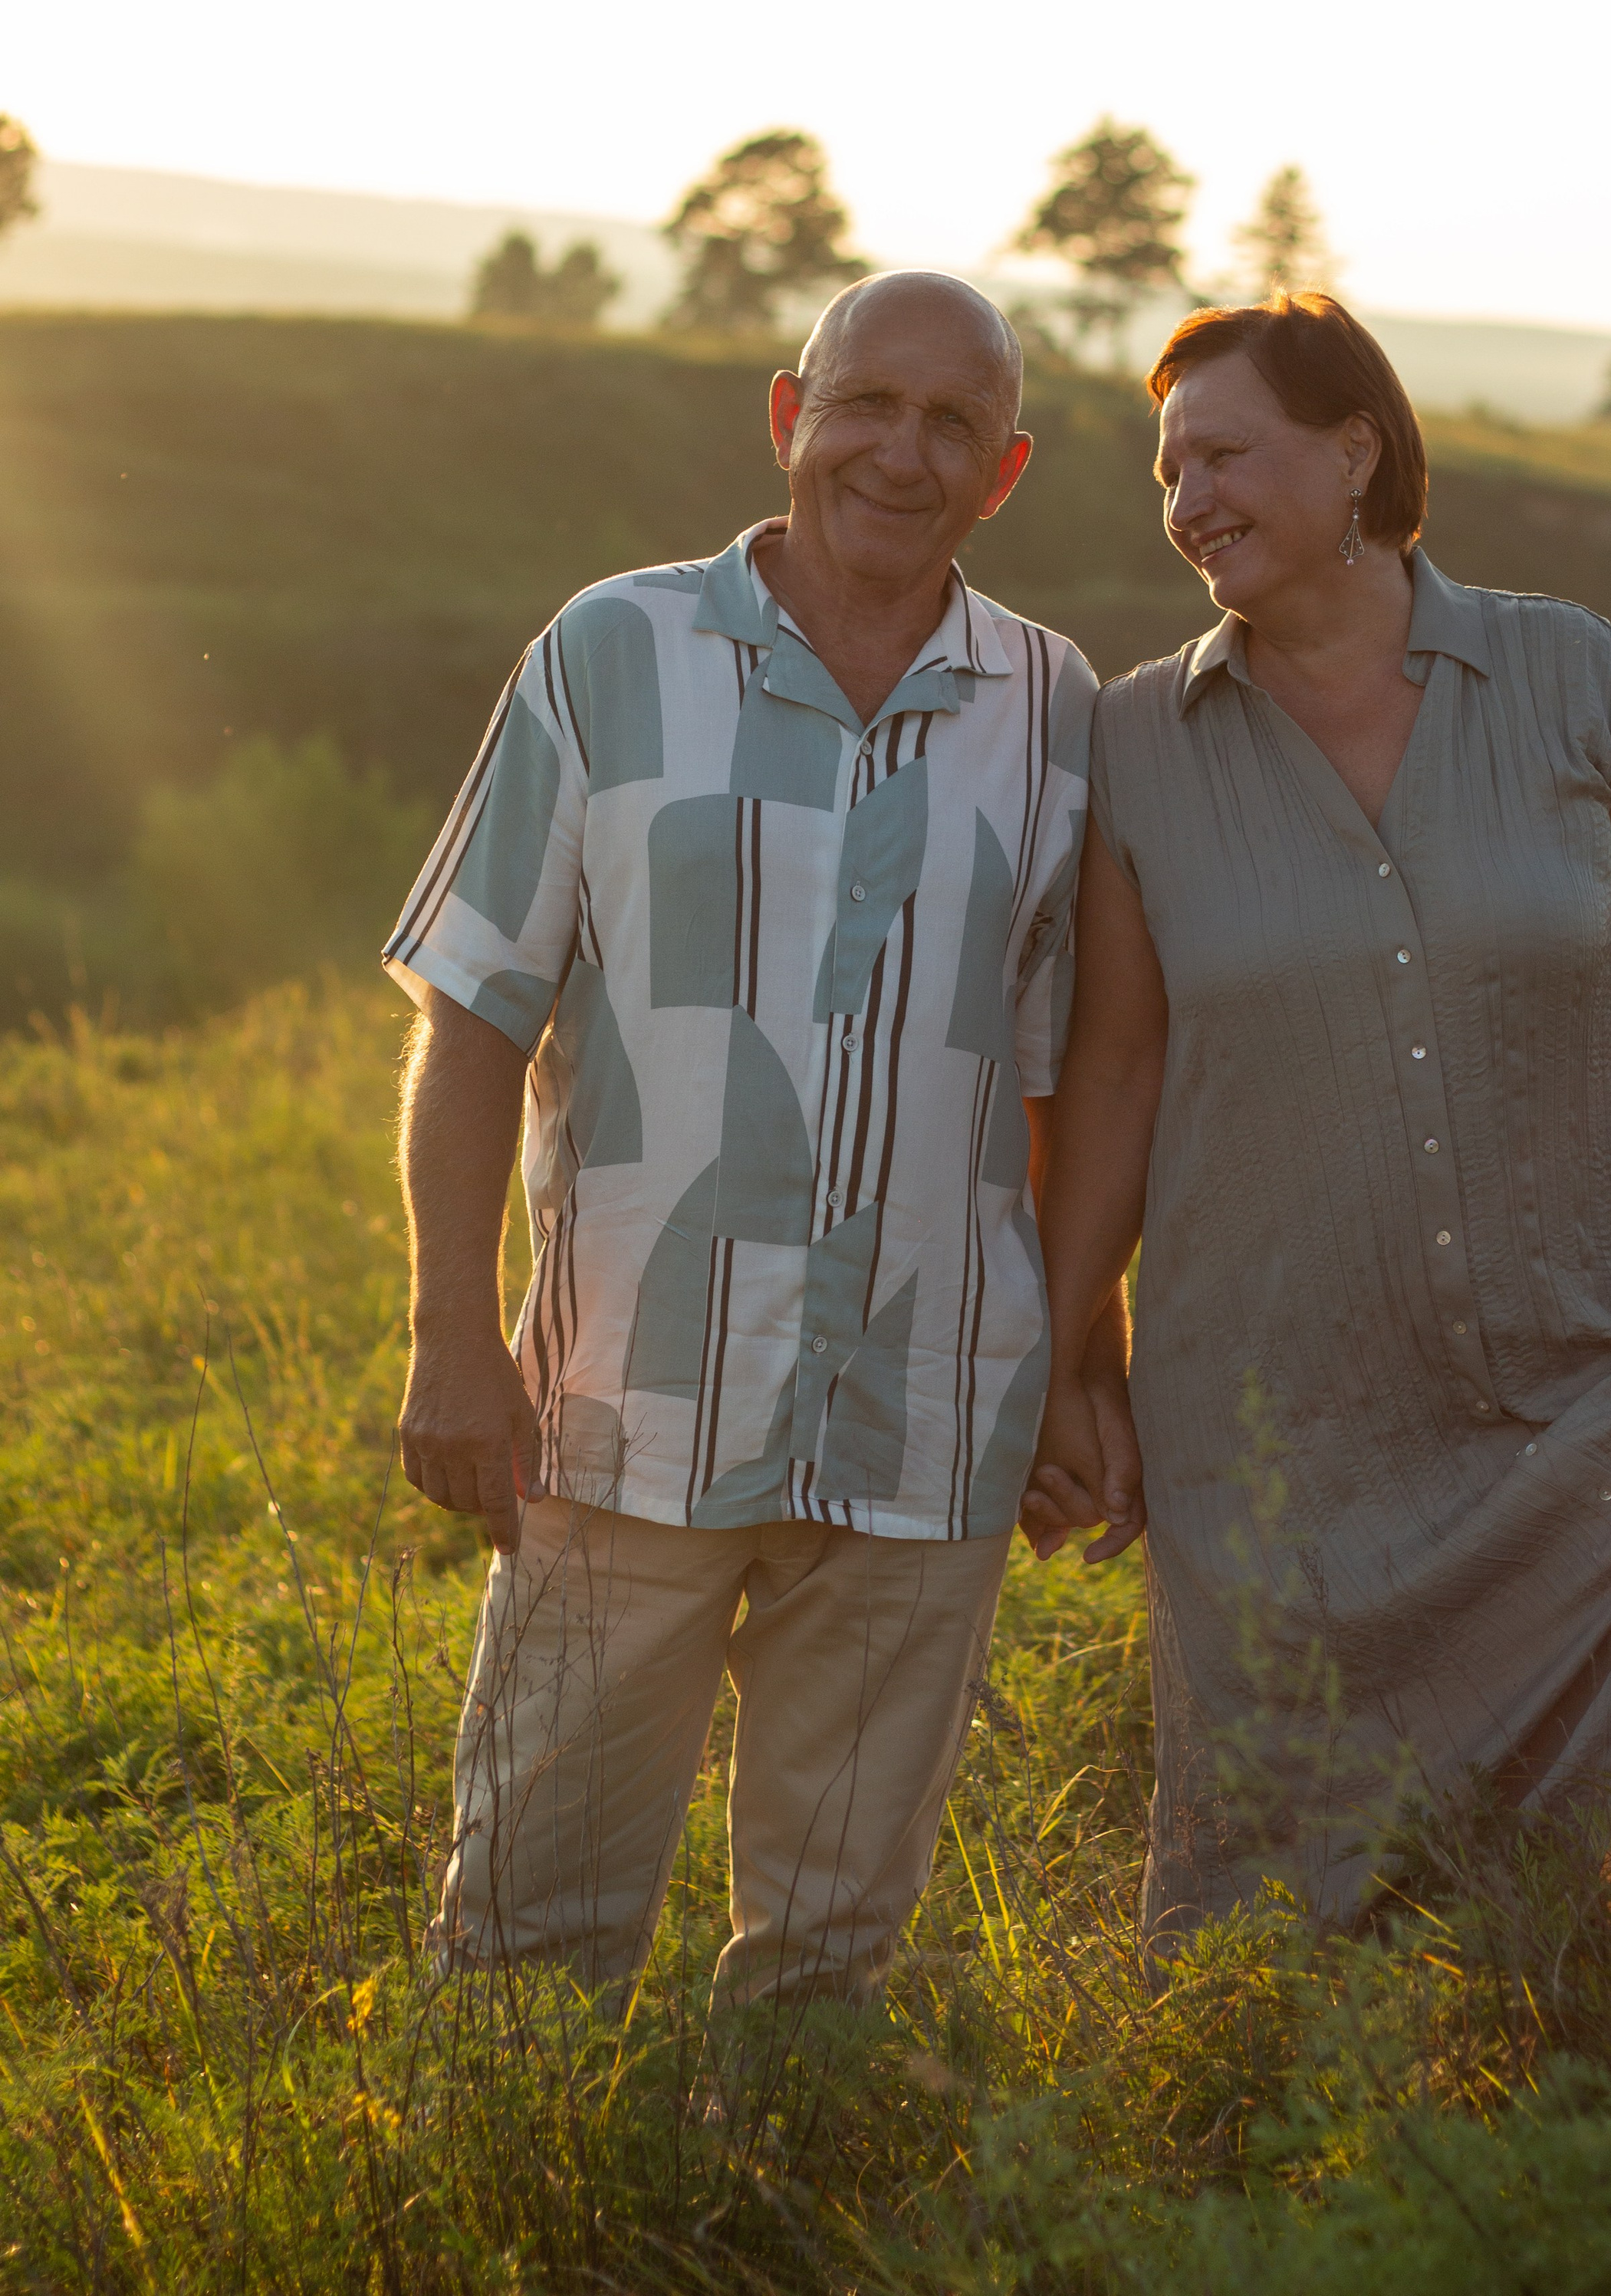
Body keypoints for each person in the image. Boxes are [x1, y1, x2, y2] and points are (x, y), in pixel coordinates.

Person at [1023, 292, 1611, 1937]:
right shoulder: (1133, 741)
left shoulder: (1566, 673)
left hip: (1596, 1357)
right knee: (1351, 1935)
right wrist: (1066, 1364)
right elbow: (1110, 1073)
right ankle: (1563, 1997)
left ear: (1353, 452)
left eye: (1222, 450)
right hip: (1297, 1421)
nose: (1185, 496)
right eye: (1164, 467)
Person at [386, 269, 1117, 2003]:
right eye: (866, 401)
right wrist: (445, 1331)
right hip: (622, 1405)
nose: (900, 449)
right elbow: (475, 1008)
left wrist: (1084, 1357)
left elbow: (1049, 1078)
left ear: (1002, 472)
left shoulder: (1054, 708)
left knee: (827, 1958)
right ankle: (529, 2226)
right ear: (790, 417)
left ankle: (773, 2222)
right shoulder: (610, 651)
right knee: (524, 1944)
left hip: (925, 1422)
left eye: (951, 422)